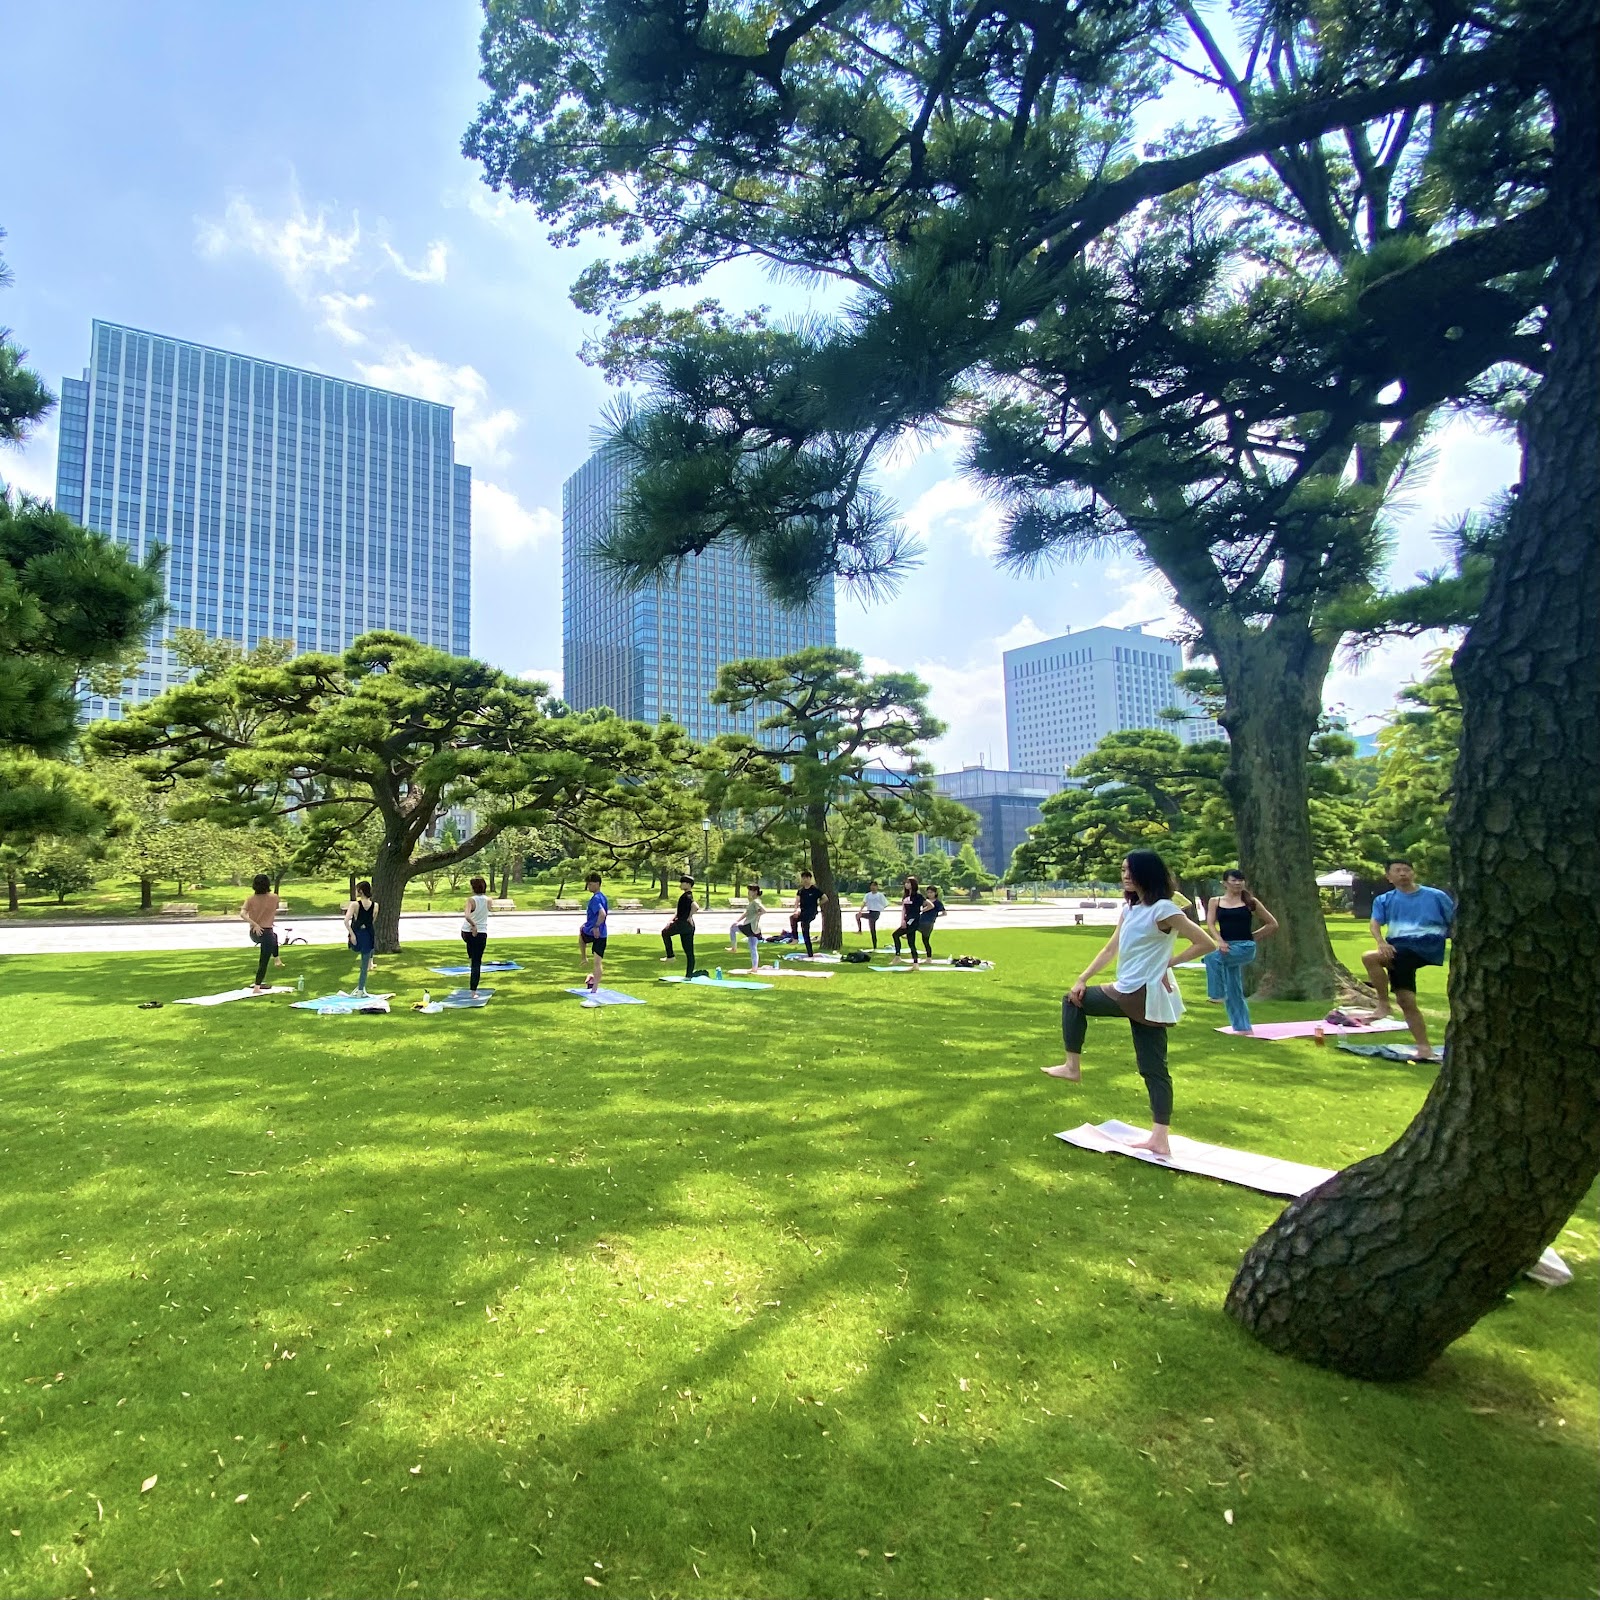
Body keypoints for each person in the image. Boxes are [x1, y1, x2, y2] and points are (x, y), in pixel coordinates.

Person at [1043, 850, 1217, 1158]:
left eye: (1130, 870)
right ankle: (1159, 1139)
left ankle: (1072, 1067)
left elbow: (1205, 943)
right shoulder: (1131, 909)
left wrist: (1168, 963)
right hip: (1137, 992)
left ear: (1145, 873)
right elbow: (1111, 949)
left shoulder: (1163, 910)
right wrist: (1082, 978)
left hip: (1139, 992)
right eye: (1122, 870)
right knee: (1153, 1067)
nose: (1124, 875)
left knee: (1072, 1003)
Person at [1360, 858, 1455, 1062]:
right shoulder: (1384, 899)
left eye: (1407, 870)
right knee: (1406, 1001)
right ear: (1389, 877)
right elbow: (1375, 924)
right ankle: (1424, 1047)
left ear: (1413, 873)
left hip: (1426, 944)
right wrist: (1381, 942)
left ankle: (1383, 1004)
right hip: (1399, 948)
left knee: (1369, 958)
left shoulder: (1436, 896)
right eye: (1398, 870)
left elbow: (1454, 921)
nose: (1403, 873)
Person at [1202, 869, 1279, 1034]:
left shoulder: (1251, 902)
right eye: (1233, 880)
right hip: (1226, 946)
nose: (1237, 883)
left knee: (1211, 958)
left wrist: (1253, 937)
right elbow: (1210, 924)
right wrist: (1220, 941)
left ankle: (1216, 995)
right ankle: (1243, 1027)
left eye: (1240, 880)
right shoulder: (1215, 901)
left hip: (1245, 947)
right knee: (1234, 989)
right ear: (1224, 883)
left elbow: (1272, 924)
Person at [239, 873, 283, 992]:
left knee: (274, 936)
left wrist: (255, 924)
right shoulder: (274, 897)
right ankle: (257, 987)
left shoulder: (250, 899)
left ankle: (277, 958)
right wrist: (259, 923)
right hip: (265, 931)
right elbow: (274, 908)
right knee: (264, 959)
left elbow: (242, 914)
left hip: (254, 932)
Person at [344, 880, 378, 995]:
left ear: (361, 891)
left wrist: (352, 934)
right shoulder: (375, 905)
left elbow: (346, 921)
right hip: (368, 935)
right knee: (365, 964)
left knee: (364, 963)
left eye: (358, 889)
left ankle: (360, 989)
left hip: (359, 934)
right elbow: (372, 921)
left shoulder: (355, 904)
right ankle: (360, 989)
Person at [660, 874, 699, 976]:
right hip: (688, 926)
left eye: (682, 883)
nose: (680, 885)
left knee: (665, 933)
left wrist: (689, 916)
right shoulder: (688, 895)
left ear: (688, 884)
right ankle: (689, 975)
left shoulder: (687, 896)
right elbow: (679, 911)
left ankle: (670, 956)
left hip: (682, 923)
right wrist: (671, 920)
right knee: (689, 952)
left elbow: (696, 907)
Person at [460, 876, 491, 998]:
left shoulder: (471, 900)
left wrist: (473, 925)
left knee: (474, 958)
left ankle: (471, 955)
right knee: (476, 962)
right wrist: (475, 926)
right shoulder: (489, 900)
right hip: (478, 933)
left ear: (473, 887)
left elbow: (467, 915)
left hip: (467, 932)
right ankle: (473, 992)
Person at [787, 869, 828, 955]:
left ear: (810, 879)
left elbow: (825, 898)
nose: (805, 880)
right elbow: (797, 901)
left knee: (804, 925)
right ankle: (808, 951)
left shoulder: (815, 889)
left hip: (811, 913)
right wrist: (795, 910)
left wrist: (818, 903)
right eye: (803, 878)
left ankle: (796, 939)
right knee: (802, 928)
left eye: (807, 878)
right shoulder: (801, 891)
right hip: (803, 912)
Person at [580, 871, 609, 992]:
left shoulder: (596, 899)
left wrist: (596, 926)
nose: (588, 887)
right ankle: (594, 989)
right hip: (602, 934)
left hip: (593, 931)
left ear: (597, 884)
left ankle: (584, 957)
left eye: (590, 884)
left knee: (581, 931)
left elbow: (602, 914)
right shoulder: (603, 897)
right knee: (598, 962)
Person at [728, 882, 765, 970]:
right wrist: (737, 921)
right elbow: (747, 913)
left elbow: (764, 910)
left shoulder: (755, 902)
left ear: (755, 892)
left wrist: (754, 917)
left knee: (732, 929)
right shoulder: (753, 902)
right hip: (755, 928)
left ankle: (734, 948)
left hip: (750, 926)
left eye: (750, 890)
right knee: (753, 947)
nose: (749, 892)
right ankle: (754, 968)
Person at [891, 875, 922, 961]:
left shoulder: (917, 896)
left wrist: (919, 912)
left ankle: (898, 956)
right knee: (911, 942)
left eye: (908, 883)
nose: (906, 884)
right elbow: (904, 909)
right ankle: (915, 962)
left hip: (913, 921)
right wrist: (903, 921)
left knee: (895, 934)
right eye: (906, 883)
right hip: (907, 920)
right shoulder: (906, 896)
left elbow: (929, 905)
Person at [916, 885, 947, 961]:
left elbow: (944, 913)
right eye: (928, 892)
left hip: (928, 923)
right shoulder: (926, 901)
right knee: (913, 926)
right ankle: (928, 958)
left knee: (925, 940)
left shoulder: (938, 903)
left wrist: (936, 916)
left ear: (935, 893)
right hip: (921, 920)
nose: (929, 894)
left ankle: (929, 958)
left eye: (931, 892)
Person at [856, 880, 888, 947]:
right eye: (872, 886)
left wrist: (880, 908)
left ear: (877, 887)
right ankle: (859, 930)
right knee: (858, 916)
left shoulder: (880, 895)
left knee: (872, 927)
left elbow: (886, 904)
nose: (873, 887)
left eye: (874, 886)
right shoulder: (868, 895)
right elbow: (864, 903)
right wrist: (860, 911)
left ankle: (875, 945)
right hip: (870, 912)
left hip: (875, 913)